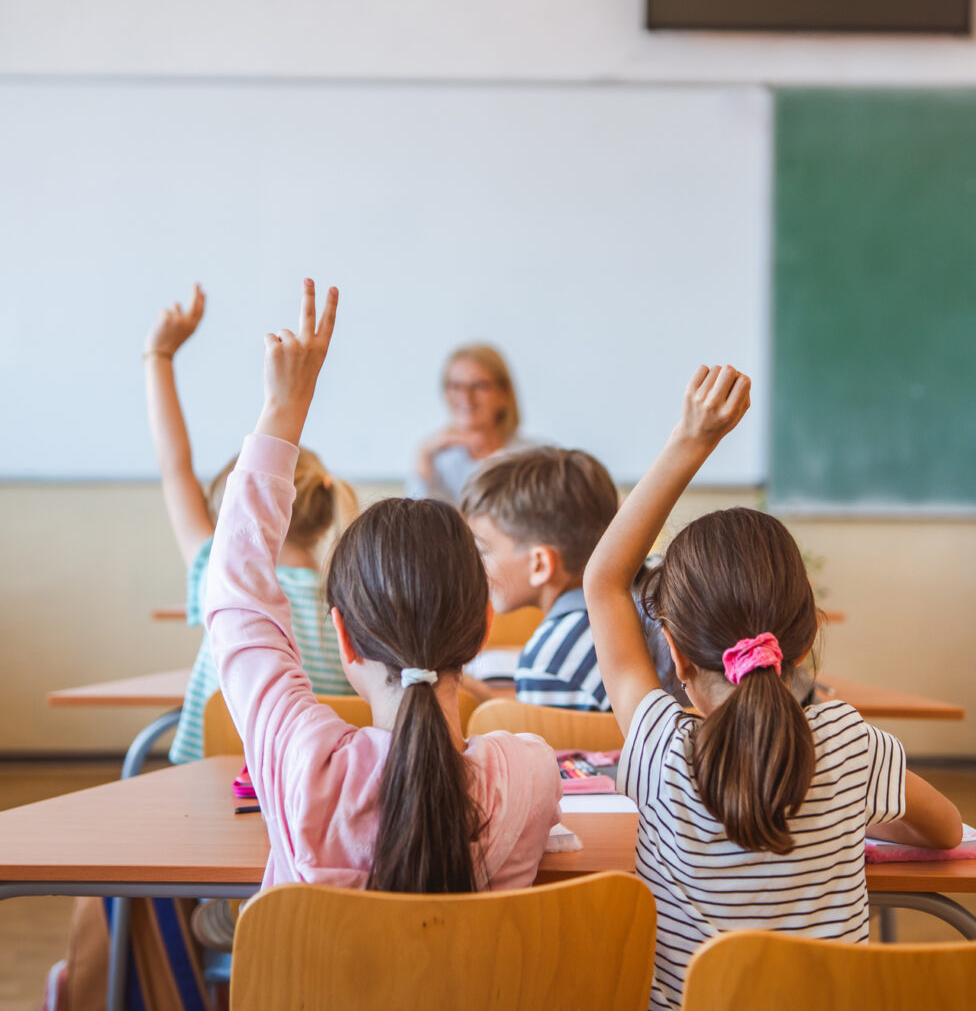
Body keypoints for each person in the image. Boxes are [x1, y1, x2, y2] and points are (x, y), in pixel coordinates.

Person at [583, 363, 963, 1010]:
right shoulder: (849, 743)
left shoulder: (659, 750)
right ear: (808, 639)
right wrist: (849, 815)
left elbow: (604, 583)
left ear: (674, 653)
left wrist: (691, 441)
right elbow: (946, 832)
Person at [206, 280, 561, 893]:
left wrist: (283, 411)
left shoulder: (301, 762)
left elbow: (235, 593)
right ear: (482, 624)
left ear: (343, 636)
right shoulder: (528, 774)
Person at [143, 284, 357, 762]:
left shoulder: (223, 577)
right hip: (317, 802)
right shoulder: (350, 609)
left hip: (214, 795)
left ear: (229, 524)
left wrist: (158, 355)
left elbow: (173, 465)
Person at [460, 446, 620, 710]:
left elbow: (555, 742)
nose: (474, 565)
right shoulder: (637, 596)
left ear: (540, 565)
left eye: (483, 551)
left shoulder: (549, 665)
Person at [408, 344, 527, 504]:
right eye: (455, 386)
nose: (466, 397)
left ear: (503, 393)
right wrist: (424, 453)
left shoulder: (532, 458)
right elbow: (417, 521)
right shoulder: (437, 460)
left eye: (479, 386)